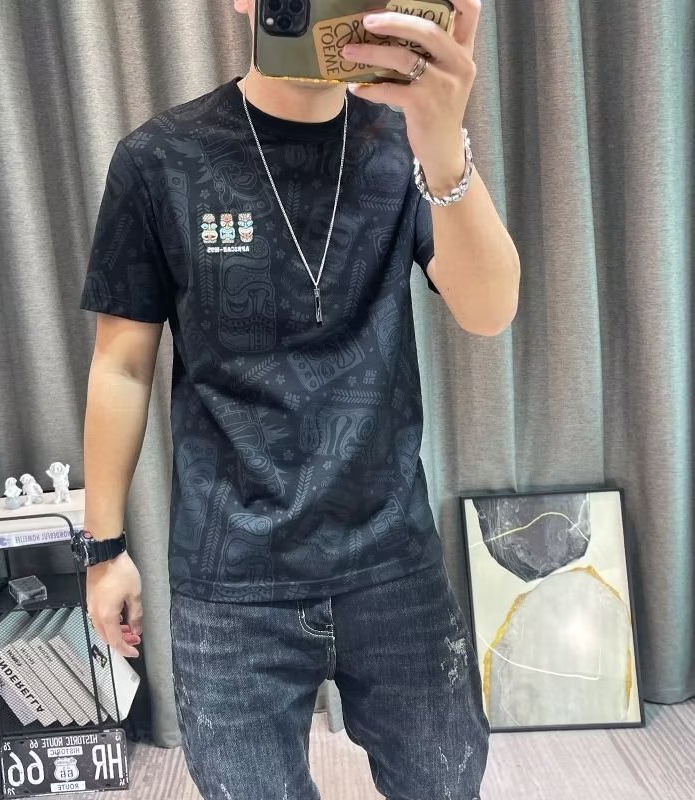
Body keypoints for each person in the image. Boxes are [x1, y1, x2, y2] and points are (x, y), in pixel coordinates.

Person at [79, 1, 519, 797]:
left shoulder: (405, 143)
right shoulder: (159, 160)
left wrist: (443, 142)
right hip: (230, 577)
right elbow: (122, 365)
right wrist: (104, 551)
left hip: (390, 557)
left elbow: (489, 311)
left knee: (446, 784)